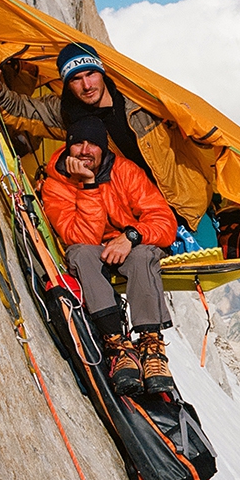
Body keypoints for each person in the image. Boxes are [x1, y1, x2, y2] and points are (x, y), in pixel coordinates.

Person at [0, 42, 214, 231]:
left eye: (90, 74)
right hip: (137, 216)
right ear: (67, 84)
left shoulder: (139, 99)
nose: (86, 85)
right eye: (76, 79)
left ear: (101, 72)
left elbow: (194, 122)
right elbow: (18, 110)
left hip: (187, 206)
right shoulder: (68, 115)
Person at [42, 116, 178, 397]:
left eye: (93, 144)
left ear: (103, 148)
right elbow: (80, 238)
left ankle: (151, 347)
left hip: (131, 246)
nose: (84, 150)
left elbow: (164, 221)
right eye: (77, 143)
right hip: (95, 250)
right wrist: (88, 186)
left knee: (143, 256)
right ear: (68, 148)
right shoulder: (56, 184)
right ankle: (118, 345)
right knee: (80, 254)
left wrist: (130, 237)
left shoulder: (126, 172)